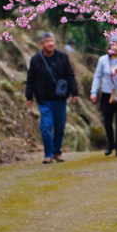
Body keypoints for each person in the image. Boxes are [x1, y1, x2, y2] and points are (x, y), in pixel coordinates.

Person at [25, 32, 78, 164]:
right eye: (47, 41)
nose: (51, 43)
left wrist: (74, 92)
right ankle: (48, 154)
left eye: (52, 41)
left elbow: (70, 75)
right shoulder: (36, 60)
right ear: (41, 44)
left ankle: (57, 152)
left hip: (60, 98)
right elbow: (30, 79)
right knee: (46, 127)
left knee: (59, 127)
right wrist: (29, 96)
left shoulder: (62, 57)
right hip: (44, 100)